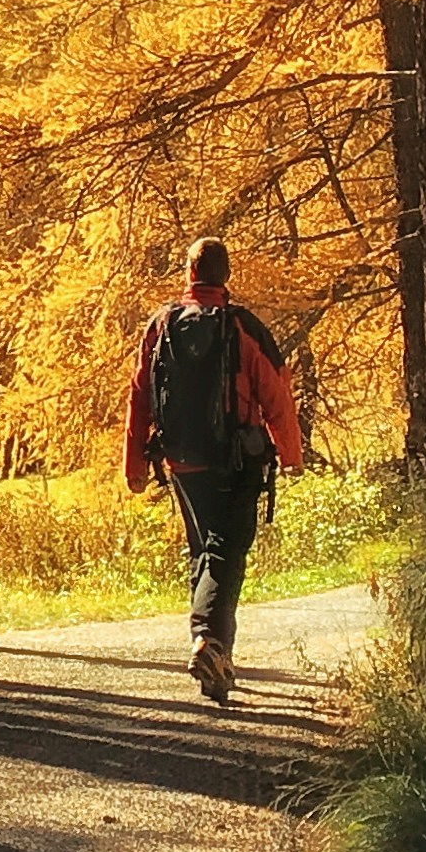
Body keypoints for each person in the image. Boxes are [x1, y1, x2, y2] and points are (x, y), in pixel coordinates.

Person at [120, 237, 305, 704]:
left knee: (203, 551)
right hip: (235, 459)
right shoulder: (242, 328)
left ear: (188, 273)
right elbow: (276, 396)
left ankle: (217, 662)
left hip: (180, 459)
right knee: (227, 550)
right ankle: (209, 641)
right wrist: (291, 454)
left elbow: (140, 394)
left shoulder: (161, 326)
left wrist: (135, 462)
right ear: (226, 276)